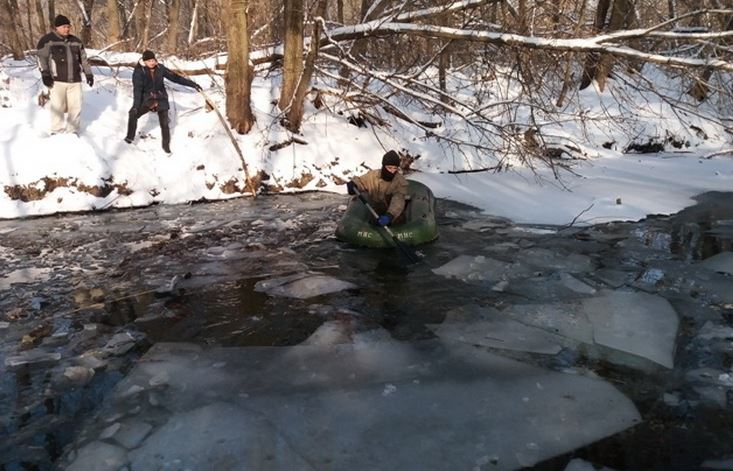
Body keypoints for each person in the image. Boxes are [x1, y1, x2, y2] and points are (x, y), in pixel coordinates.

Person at [124, 50, 202, 153]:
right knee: (133, 114)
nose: (152, 63)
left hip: (161, 97)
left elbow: (175, 78)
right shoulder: (139, 71)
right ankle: (130, 138)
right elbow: (137, 90)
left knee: (164, 123)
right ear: (144, 61)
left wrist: (193, 84)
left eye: (153, 60)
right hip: (147, 98)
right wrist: (135, 106)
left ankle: (166, 147)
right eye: (149, 61)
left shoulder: (160, 68)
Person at [36, 14, 94, 135]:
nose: (67, 29)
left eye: (68, 26)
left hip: (75, 81)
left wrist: (89, 74)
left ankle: (72, 131)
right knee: (57, 107)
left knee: (76, 106)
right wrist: (45, 74)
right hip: (56, 80)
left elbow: (83, 59)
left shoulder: (76, 41)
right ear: (56, 27)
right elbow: (41, 58)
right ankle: (56, 130)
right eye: (64, 26)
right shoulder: (47, 40)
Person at [346, 150, 409, 226]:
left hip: (391, 212)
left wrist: (390, 215)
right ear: (383, 166)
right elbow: (361, 181)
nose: (392, 171)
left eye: (395, 168)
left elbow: (398, 200)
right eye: (389, 168)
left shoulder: (400, 182)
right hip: (374, 209)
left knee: (398, 221)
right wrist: (354, 184)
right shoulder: (373, 175)